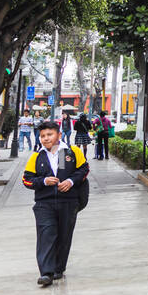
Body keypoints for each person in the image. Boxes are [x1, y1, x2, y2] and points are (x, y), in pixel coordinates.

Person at [21, 120, 88, 286]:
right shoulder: (37, 156)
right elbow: (27, 179)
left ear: (59, 135)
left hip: (68, 202)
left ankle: (59, 268)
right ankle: (46, 272)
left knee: (64, 236)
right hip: (44, 203)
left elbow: (84, 169)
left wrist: (71, 181)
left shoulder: (70, 152)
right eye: (42, 135)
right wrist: (44, 181)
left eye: (49, 134)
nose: (45, 138)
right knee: (46, 235)